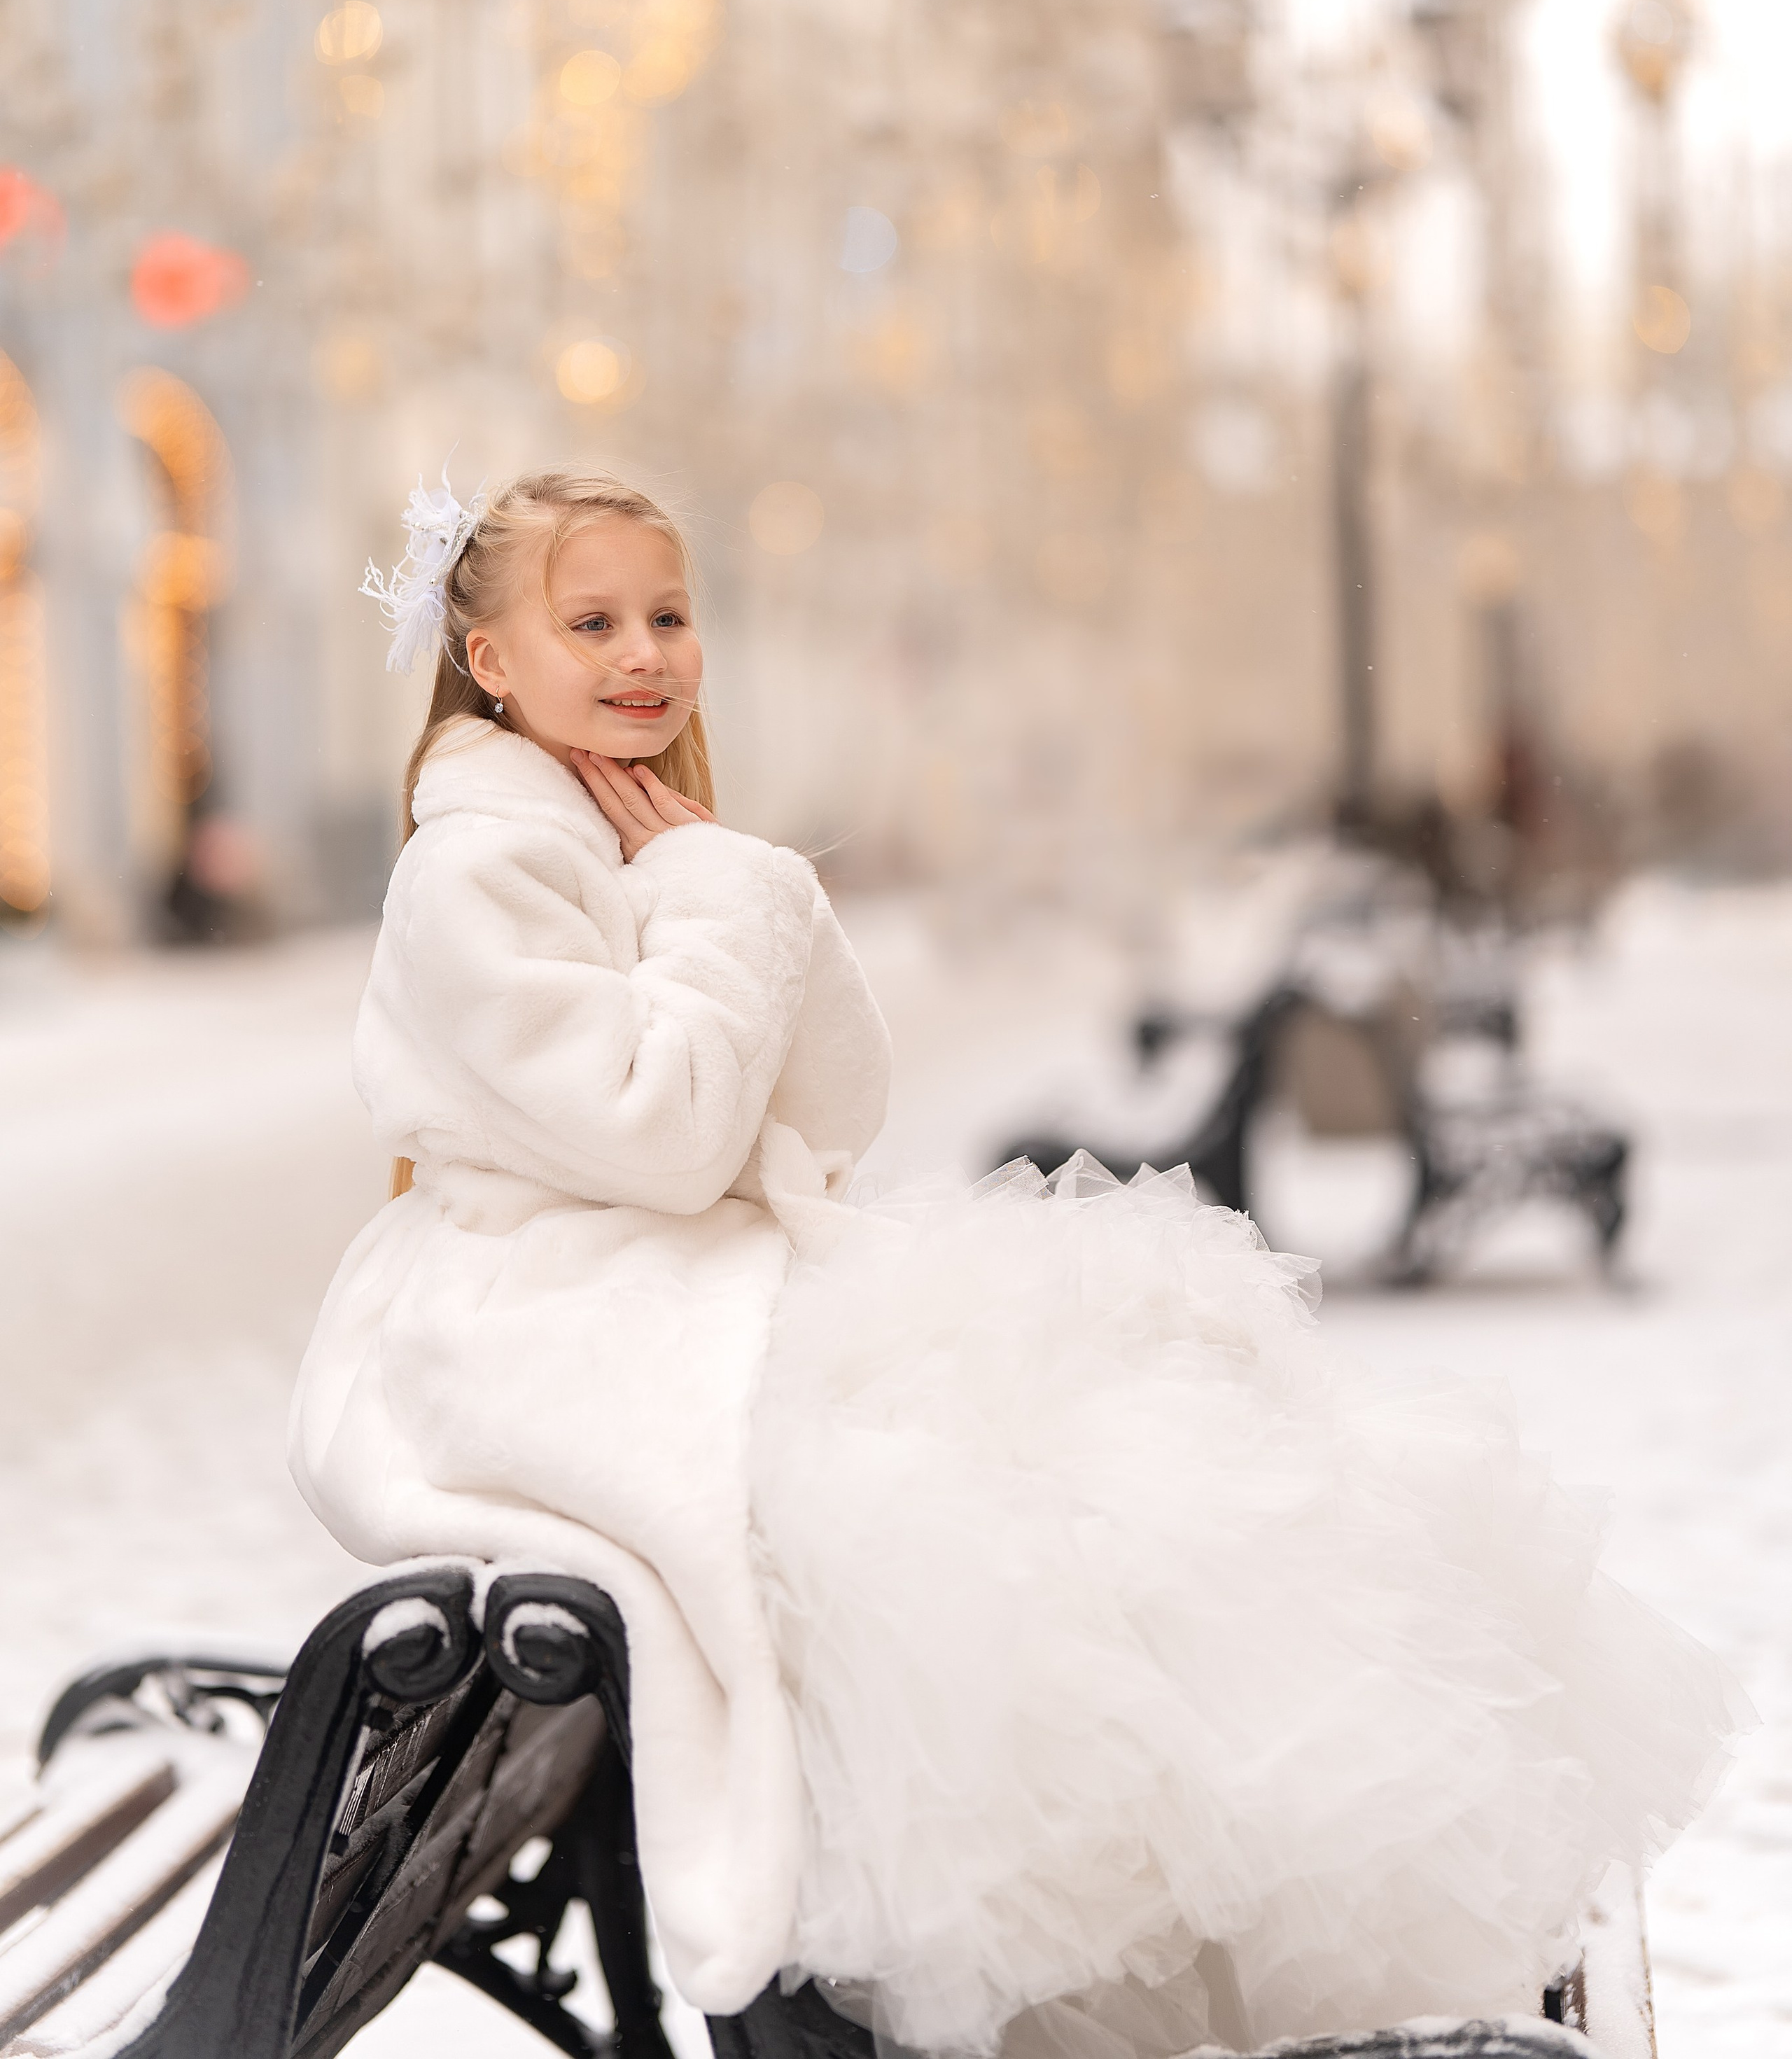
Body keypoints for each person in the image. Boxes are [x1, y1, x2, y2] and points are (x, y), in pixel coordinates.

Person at [292, 467, 1742, 2059]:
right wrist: (728, 897)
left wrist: (734, 888)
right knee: (948, 1501)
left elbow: (830, 1107)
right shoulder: (476, 872)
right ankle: (1007, 1967)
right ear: (489, 658)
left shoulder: (637, 840)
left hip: (666, 1287)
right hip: (536, 1332)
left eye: (667, 615)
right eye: (592, 624)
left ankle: (1218, 1895)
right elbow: (662, 1134)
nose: (644, 655)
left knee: (1114, 1416)